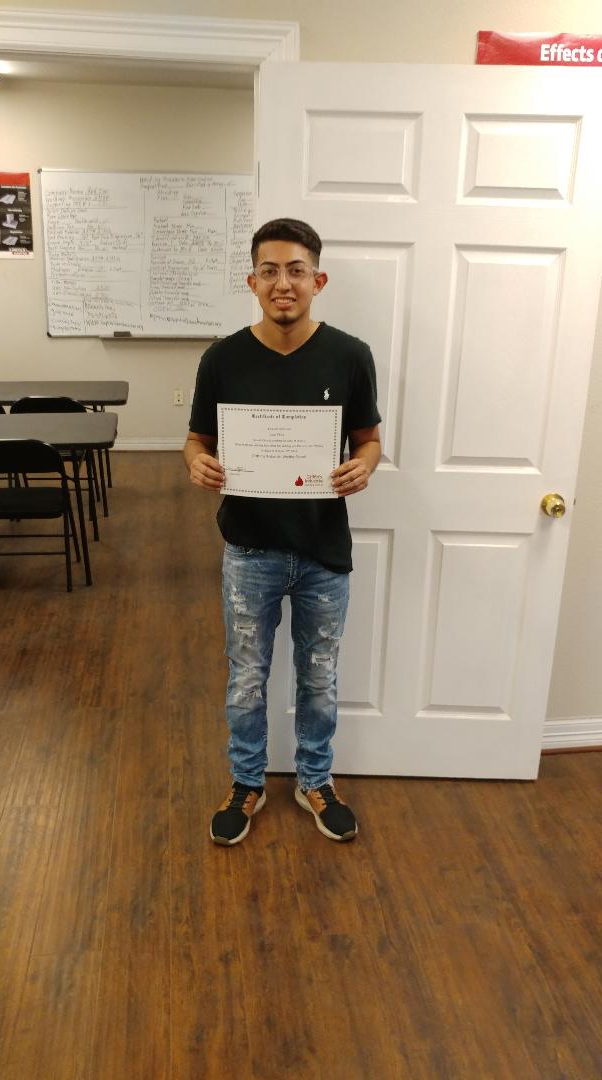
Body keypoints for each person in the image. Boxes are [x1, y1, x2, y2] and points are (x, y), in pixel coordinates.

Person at [184, 217, 381, 845]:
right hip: (249, 550)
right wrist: (197, 463)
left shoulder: (350, 355)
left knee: (319, 677)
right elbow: (196, 440)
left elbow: (368, 440)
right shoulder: (222, 359)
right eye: (269, 270)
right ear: (252, 281)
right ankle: (247, 782)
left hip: (323, 551)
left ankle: (314, 780)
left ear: (318, 281)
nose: (283, 283)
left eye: (296, 270)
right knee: (246, 677)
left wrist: (364, 467)